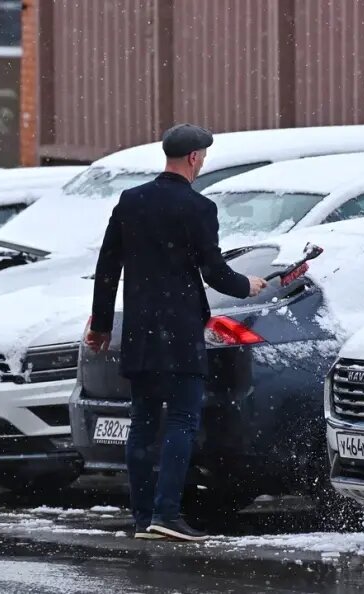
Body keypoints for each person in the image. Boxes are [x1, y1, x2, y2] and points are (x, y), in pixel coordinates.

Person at [85, 123, 267, 542]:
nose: (203, 161)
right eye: (203, 155)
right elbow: (215, 272)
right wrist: (248, 285)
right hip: (180, 331)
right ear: (194, 158)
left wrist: (100, 325)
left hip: (141, 332)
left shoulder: (132, 201)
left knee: (144, 422)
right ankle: (167, 515)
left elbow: (107, 267)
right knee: (182, 420)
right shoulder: (198, 208)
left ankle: (143, 516)